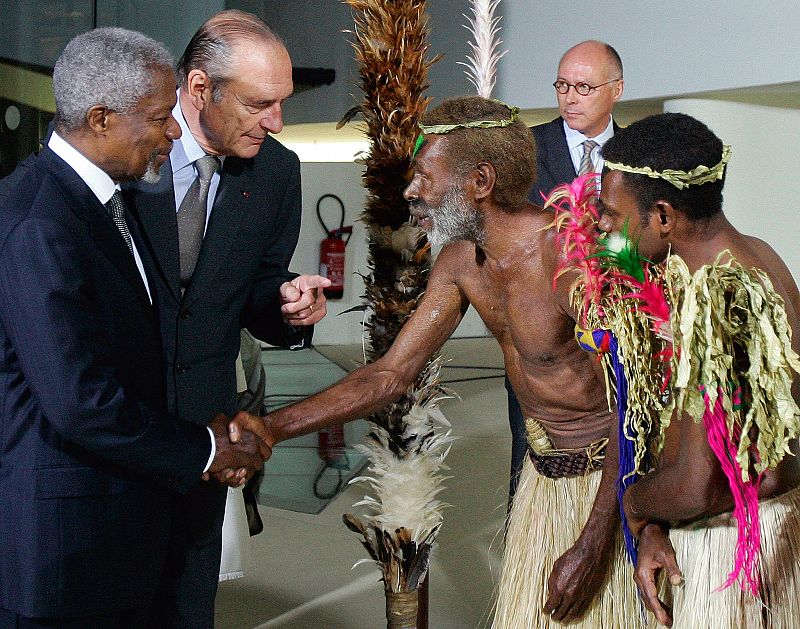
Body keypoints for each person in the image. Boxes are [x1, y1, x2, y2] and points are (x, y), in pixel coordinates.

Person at [235, 96, 642, 627]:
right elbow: (389, 376)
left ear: (481, 181)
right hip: (544, 484)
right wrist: (270, 429)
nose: (412, 191)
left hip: (609, 489)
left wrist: (593, 542)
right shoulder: (458, 262)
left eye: (426, 176)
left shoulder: (569, 254)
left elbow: (637, 401)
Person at [0, 27, 266, 627]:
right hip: (64, 556)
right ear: (99, 119)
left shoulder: (101, 202)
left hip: (113, 535)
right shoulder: (40, 223)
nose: (175, 132)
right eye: (158, 117)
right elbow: (81, 402)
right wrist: (205, 447)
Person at [123, 10, 329, 628]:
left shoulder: (276, 171)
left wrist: (288, 305)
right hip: (116, 417)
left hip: (206, 426)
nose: (277, 122)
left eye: (283, 103)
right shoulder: (127, 151)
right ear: (199, 88)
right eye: (259, 103)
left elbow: (257, 287)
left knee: (189, 601)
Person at [596, 112, 800, 628]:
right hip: (774, 536)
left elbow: (696, 488)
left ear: (662, 215)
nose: (602, 225)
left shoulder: (715, 300)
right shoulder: (762, 257)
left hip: (733, 556)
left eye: (612, 213)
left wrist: (635, 505)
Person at [506, 40, 624, 499]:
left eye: (583, 86)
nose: (569, 96)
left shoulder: (637, 155)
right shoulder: (524, 151)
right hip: (541, 339)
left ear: (615, 89)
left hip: (620, 331)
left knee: (624, 445)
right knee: (532, 455)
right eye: (561, 85)